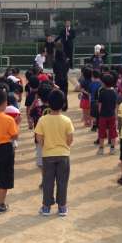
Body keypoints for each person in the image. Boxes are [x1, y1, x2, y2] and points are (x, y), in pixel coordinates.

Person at [35, 89, 74, 217]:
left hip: (48, 155)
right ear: (63, 104)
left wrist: (46, 146)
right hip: (63, 155)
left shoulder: (42, 120)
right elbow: (70, 139)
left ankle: (46, 207)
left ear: (48, 103)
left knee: (48, 181)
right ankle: (62, 207)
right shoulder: (67, 120)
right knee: (62, 182)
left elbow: (39, 138)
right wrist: (64, 146)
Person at [97, 73, 118, 155]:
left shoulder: (102, 92)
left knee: (101, 132)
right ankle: (112, 148)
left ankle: (101, 149)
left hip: (103, 115)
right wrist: (115, 115)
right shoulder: (114, 92)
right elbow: (115, 105)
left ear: (104, 83)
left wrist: (100, 113)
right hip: (112, 115)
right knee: (113, 132)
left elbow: (100, 106)